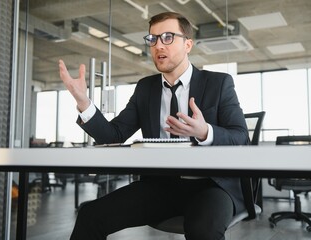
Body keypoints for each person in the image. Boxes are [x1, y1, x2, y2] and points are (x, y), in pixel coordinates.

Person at [59, 11, 251, 240]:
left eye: (168, 37)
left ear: (188, 44)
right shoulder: (145, 89)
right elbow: (114, 135)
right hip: (161, 186)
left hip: (211, 185)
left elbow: (240, 137)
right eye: (153, 39)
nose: (158, 45)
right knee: (90, 214)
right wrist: (84, 103)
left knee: (202, 230)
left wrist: (205, 132)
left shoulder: (218, 83)